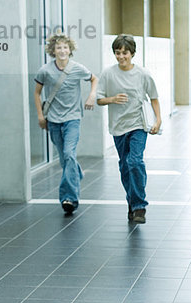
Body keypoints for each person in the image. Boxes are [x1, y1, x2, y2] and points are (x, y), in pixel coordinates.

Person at [96, 34, 162, 224]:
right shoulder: (108, 74)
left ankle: (139, 206)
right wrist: (112, 99)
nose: (121, 57)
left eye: (125, 53)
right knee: (125, 166)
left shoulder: (143, 74)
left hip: (138, 125)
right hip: (118, 127)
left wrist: (158, 121)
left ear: (132, 53)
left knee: (134, 162)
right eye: (117, 53)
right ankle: (132, 201)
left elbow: (154, 98)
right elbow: (99, 99)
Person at [34, 33, 98, 215]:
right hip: (53, 120)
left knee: (69, 154)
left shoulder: (77, 68)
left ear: (70, 50)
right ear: (53, 51)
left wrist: (92, 95)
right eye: (58, 48)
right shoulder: (45, 70)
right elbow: (37, 93)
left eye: (65, 47)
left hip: (72, 118)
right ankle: (76, 173)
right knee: (65, 159)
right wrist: (40, 116)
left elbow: (94, 78)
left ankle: (68, 198)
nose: (62, 51)